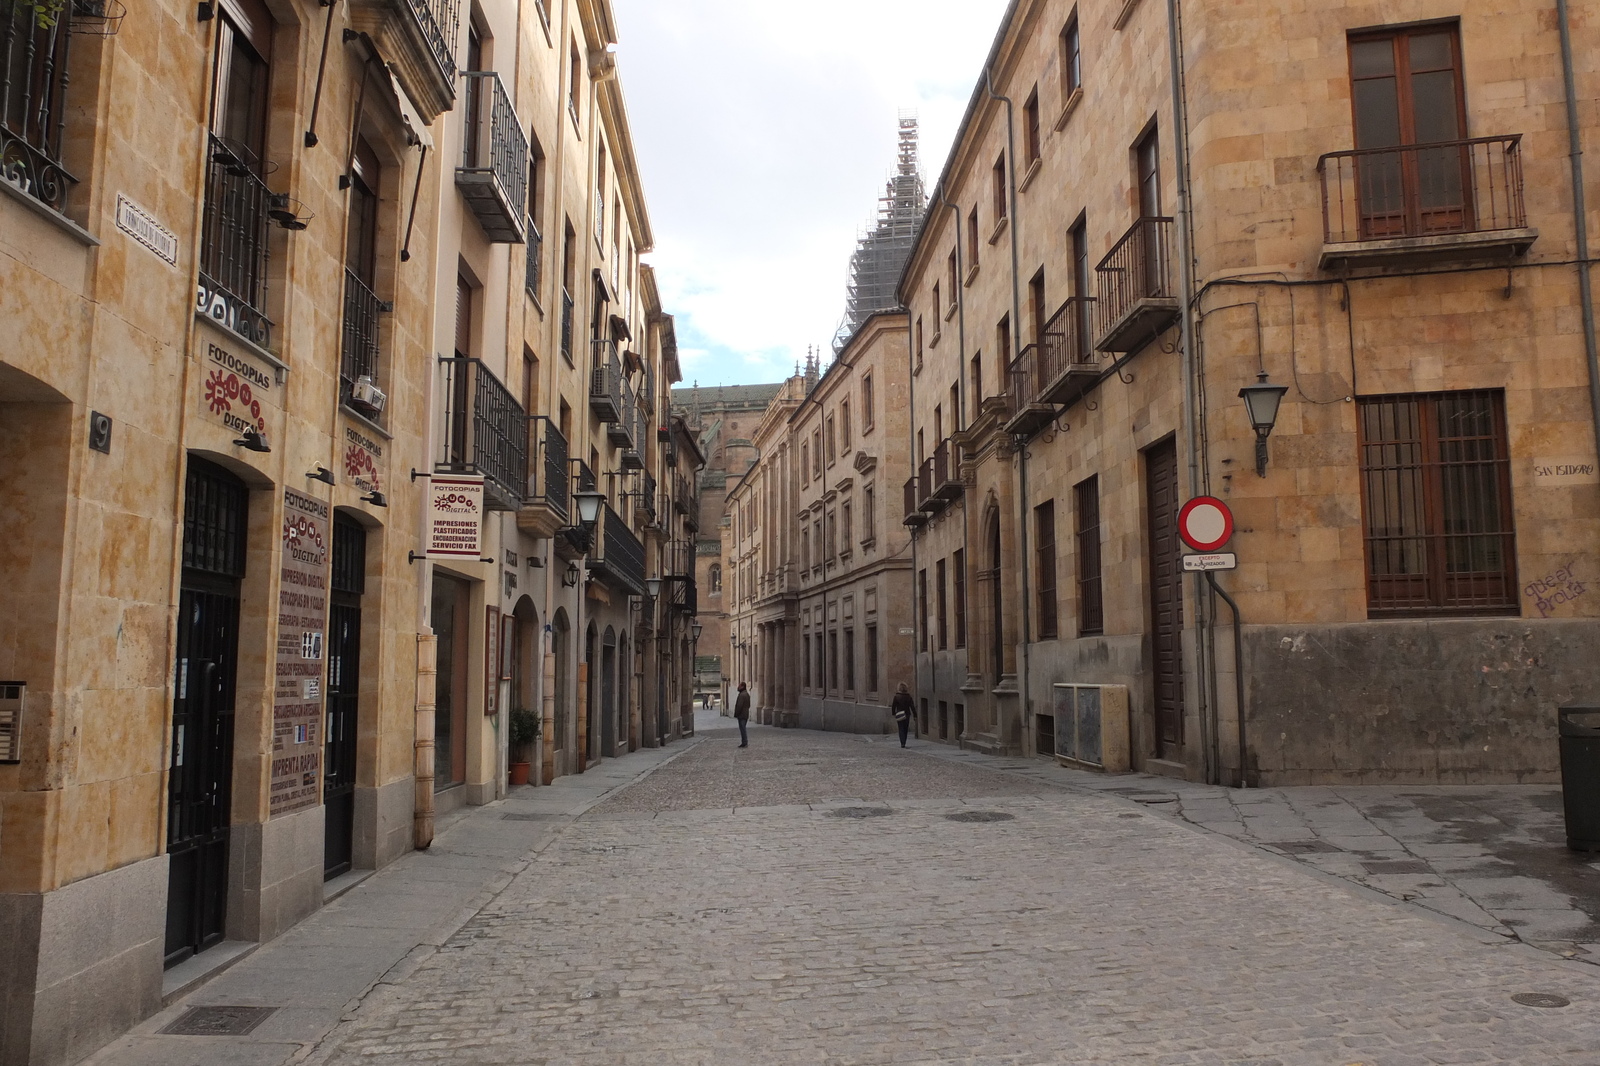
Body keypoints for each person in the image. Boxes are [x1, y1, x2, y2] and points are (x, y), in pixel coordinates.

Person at [891, 682, 916, 747]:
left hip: (899, 714)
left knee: (901, 728)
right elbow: (912, 706)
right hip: (907, 714)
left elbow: (893, 706)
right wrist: (915, 715)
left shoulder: (896, 696)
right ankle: (904, 741)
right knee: (905, 728)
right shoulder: (909, 697)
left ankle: (902, 743)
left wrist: (893, 713)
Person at [733, 682, 751, 747]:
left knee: (742, 728)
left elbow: (739, 706)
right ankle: (744, 741)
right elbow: (748, 705)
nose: (738, 687)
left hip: (741, 714)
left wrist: (736, 713)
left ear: (742, 686)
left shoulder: (742, 695)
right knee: (743, 728)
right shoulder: (747, 694)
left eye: (739, 686)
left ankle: (744, 742)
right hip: (745, 713)